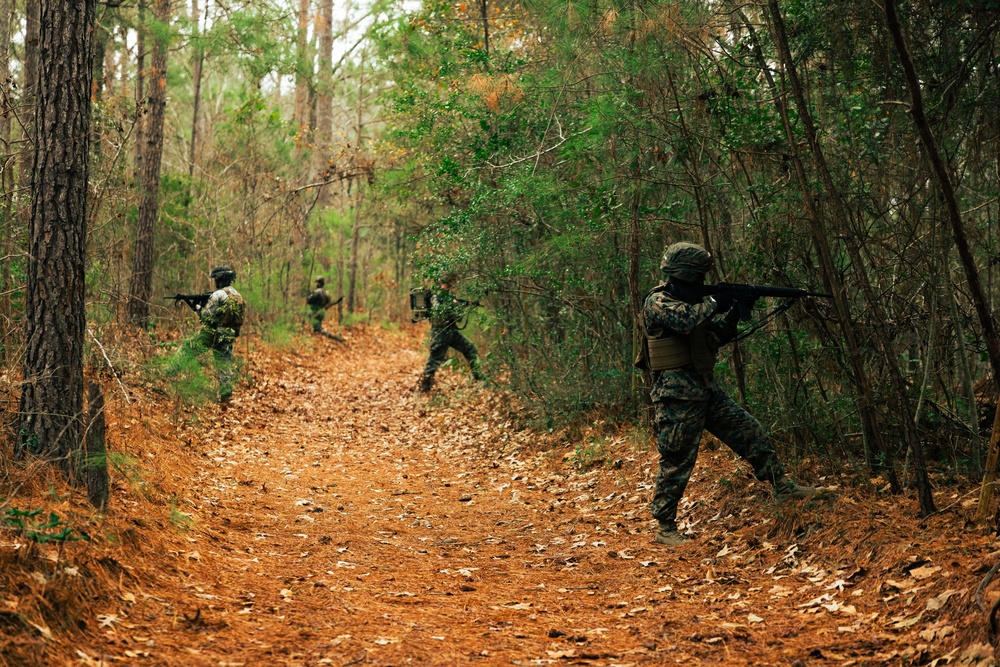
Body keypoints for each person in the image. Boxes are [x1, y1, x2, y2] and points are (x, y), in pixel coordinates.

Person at [640, 242, 821, 547]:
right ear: (685, 276)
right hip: (676, 396)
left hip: (704, 389)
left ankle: (782, 487)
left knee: (749, 430)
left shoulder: (696, 303)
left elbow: (714, 336)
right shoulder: (658, 301)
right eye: (696, 279)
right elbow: (685, 319)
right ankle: (665, 527)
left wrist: (735, 310)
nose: (698, 284)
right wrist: (717, 300)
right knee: (677, 458)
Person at [418, 273, 483, 392]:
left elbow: (455, 316)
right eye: (454, 281)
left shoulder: (449, 296)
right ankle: (424, 389)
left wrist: (462, 305)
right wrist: (453, 305)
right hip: (441, 333)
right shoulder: (438, 296)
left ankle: (479, 380)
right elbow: (439, 312)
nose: (455, 284)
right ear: (449, 282)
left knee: (470, 349)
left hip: (451, 332)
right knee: (434, 361)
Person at [195, 266, 246, 405]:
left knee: (189, 348)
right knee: (224, 364)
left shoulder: (218, 295)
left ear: (220, 280)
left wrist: (198, 308)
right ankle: (226, 396)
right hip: (229, 334)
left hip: (215, 333)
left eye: (216, 279)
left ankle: (171, 372)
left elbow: (207, 317)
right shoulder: (237, 295)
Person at [306, 276, 344, 342]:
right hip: (321, 313)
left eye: (317, 282)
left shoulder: (317, 292)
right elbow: (328, 302)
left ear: (320, 283)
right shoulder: (326, 293)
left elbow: (309, 301)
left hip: (315, 313)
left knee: (317, 331)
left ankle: (333, 337)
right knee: (317, 329)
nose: (316, 284)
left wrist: (309, 295)